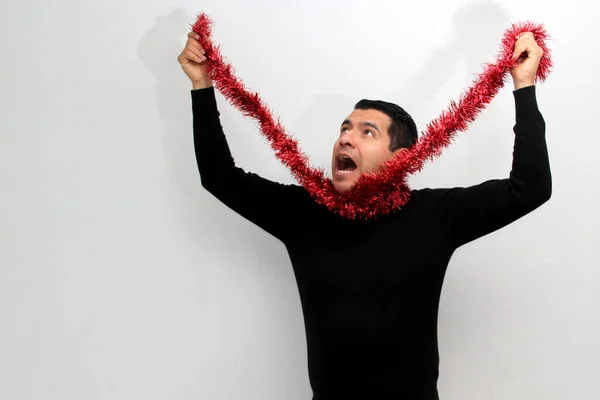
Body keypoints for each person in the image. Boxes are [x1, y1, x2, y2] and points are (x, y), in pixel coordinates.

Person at [177, 30, 551, 400]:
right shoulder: (303, 213)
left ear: (400, 157)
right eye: (344, 128)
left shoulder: (436, 215)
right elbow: (219, 177)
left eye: (367, 132)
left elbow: (529, 188)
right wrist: (202, 84)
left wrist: (523, 84)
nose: (346, 138)